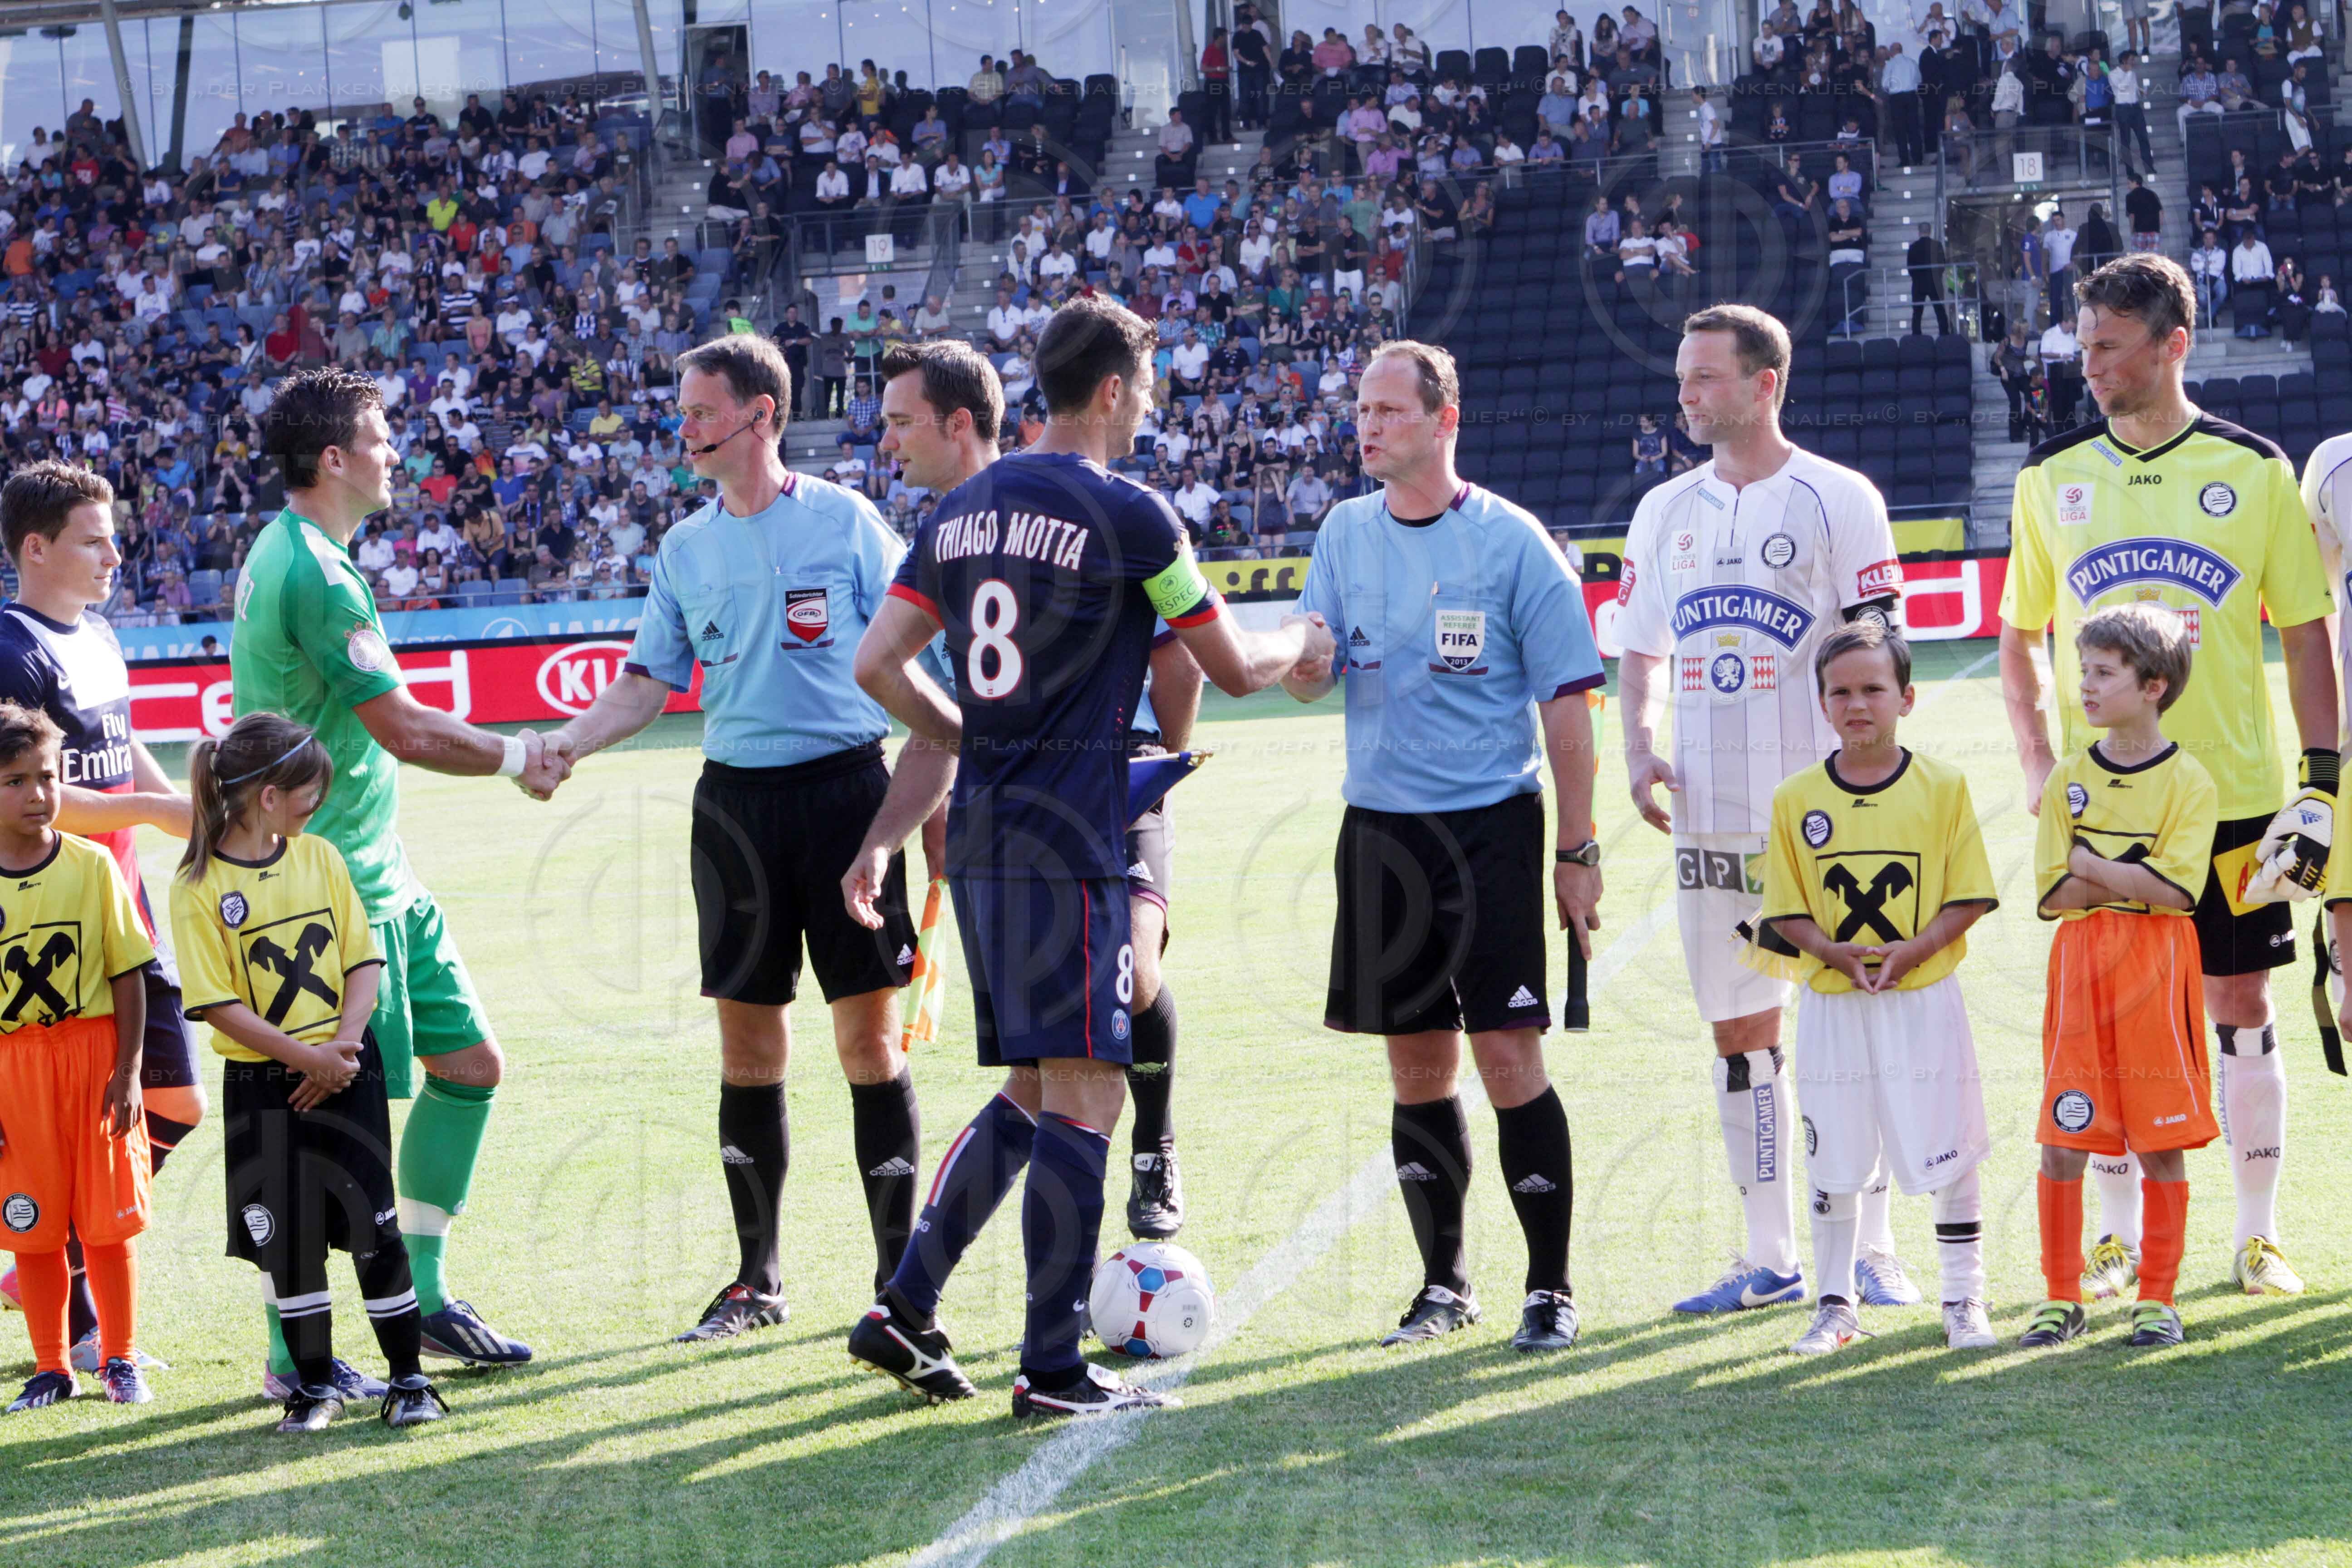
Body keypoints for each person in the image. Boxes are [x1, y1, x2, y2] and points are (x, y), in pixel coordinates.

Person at [842, 295, 1332, 1415]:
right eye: (1146, 387)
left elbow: (878, 664)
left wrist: (973, 734)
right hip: (1075, 841)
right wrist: (1308, 639)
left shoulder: (963, 511)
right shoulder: (1131, 515)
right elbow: (1233, 667)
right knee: (1089, 1092)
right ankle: (1052, 1366)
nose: (1148, 405)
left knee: (1031, 1080)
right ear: (1111, 389)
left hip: (982, 836)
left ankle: (905, 1303)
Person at [542, 334, 930, 1340]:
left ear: (763, 416)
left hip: (849, 796)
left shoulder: (846, 523)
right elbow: (645, 683)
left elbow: (917, 640)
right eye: (684, 412)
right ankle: (757, 1281)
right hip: (736, 813)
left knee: (868, 1043)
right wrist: (570, 744)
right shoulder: (684, 549)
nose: (687, 429)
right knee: (749, 1047)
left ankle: (900, 1283)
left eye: (704, 413)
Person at [1999, 255, 2334, 1304]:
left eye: (2107, 346)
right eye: (2083, 345)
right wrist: (2039, 768)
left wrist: (2318, 781)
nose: (2086, 365)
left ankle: (2255, 1233)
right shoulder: (2049, 476)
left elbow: (2308, 633)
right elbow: (2017, 639)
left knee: (2238, 1000)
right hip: (2105, 807)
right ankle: (2112, 1240)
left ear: (2170, 344)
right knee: (2110, 1014)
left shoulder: (2255, 468)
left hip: (2233, 796)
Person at [1281, 341, 1604, 1354]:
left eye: (1387, 410)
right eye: (1361, 411)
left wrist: (1578, 851)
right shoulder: (1342, 531)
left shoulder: (1514, 546)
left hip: (1492, 835)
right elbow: (1312, 663)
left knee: (1508, 1058)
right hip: (1380, 837)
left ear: (1443, 418)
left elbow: (1567, 710)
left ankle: (1549, 1290)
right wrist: (1303, 667)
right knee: (1417, 1069)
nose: (1366, 426)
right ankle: (1443, 1284)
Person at [240, 368, 557, 1388]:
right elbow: (405, 728)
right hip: (327, 896)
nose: (394, 454)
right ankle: (299, 1353)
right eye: (379, 438)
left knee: (472, 1068)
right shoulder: (316, 575)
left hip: (386, 879)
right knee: (334, 1122)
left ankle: (419, 1295)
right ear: (334, 458)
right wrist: (518, 760)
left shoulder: (302, 554)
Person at [1616, 304, 1909, 1317]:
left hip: (1826, 816)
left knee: (1855, 1017)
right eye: (1684, 377)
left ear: (1764, 383)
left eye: (1705, 378)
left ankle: (1873, 1248)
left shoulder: (1840, 498)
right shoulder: (1664, 512)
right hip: (1707, 814)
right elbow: (1642, 650)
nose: (1686, 394)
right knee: (1740, 1036)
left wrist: (1870, 779)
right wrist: (1639, 747)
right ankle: (1771, 1253)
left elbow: (1876, 652)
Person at [169, 713, 448, 1430]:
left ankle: (409, 1382)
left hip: (348, 1071)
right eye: (308, 791)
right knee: (288, 1244)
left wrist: (342, 1052)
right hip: (267, 1088)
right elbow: (220, 1006)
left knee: (374, 1229)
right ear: (266, 795)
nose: (316, 804)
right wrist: (308, 1060)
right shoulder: (198, 886)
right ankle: (314, 1387)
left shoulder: (320, 857)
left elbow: (363, 961)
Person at [0, 462, 201, 1380]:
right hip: (53, 924)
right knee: (72, 1128)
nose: (116, 554)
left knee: (175, 1104)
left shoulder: (102, 633)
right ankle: (73, 1311)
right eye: (93, 538)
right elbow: (28, 800)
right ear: (36, 548)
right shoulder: (12, 650)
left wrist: (186, 815)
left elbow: (127, 754)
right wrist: (154, 816)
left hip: (123, 910)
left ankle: (44, 1249)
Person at [1754, 622, 1998, 1356]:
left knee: (1949, 1149)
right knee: (1833, 1154)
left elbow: (1968, 895)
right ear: (1821, 703)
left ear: (1905, 697)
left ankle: (1962, 1300)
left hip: (1922, 998)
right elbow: (1785, 907)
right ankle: (1834, 1304)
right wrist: (1831, 950)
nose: (1855, 704)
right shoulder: (1795, 797)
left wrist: (1913, 949)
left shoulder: (1942, 786)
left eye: (1872, 689)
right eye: (1839, 691)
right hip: (1832, 1003)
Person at [2021, 605, 2218, 1349]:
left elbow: (2176, 895)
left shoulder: (2188, 782)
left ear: (2153, 685)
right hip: (2078, 973)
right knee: (2061, 1135)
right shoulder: (2068, 776)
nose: (2086, 686)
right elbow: (2050, 897)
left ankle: (2157, 1298)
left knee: (2155, 1138)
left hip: (2155, 969)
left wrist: (2091, 864)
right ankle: (2058, 1295)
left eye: (2104, 672)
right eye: (2084, 671)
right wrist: (2130, 876)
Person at [0, 702, 154, 1414]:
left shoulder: (92, 867)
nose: (39, 794)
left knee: (105, 1221)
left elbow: (129, 974)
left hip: (91, 1056)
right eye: (16, 781)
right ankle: (50, 1365)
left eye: (49, 777)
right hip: (13, 1068)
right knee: (30, 1224)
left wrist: (126, 1074)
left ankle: (119, 1358)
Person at [1909, 222, 1953, 335]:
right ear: (1930, 231)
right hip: (1934, 283)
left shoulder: (1913, 247)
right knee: (1940, 311)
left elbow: (1910, 268)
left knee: (1917, 313)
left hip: (1919, 283)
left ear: (1919, 232)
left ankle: (1916, 336)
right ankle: (1944, 334)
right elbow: (1942, 264)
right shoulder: (1937, 246)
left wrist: (1917, 278)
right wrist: (1937, 277)